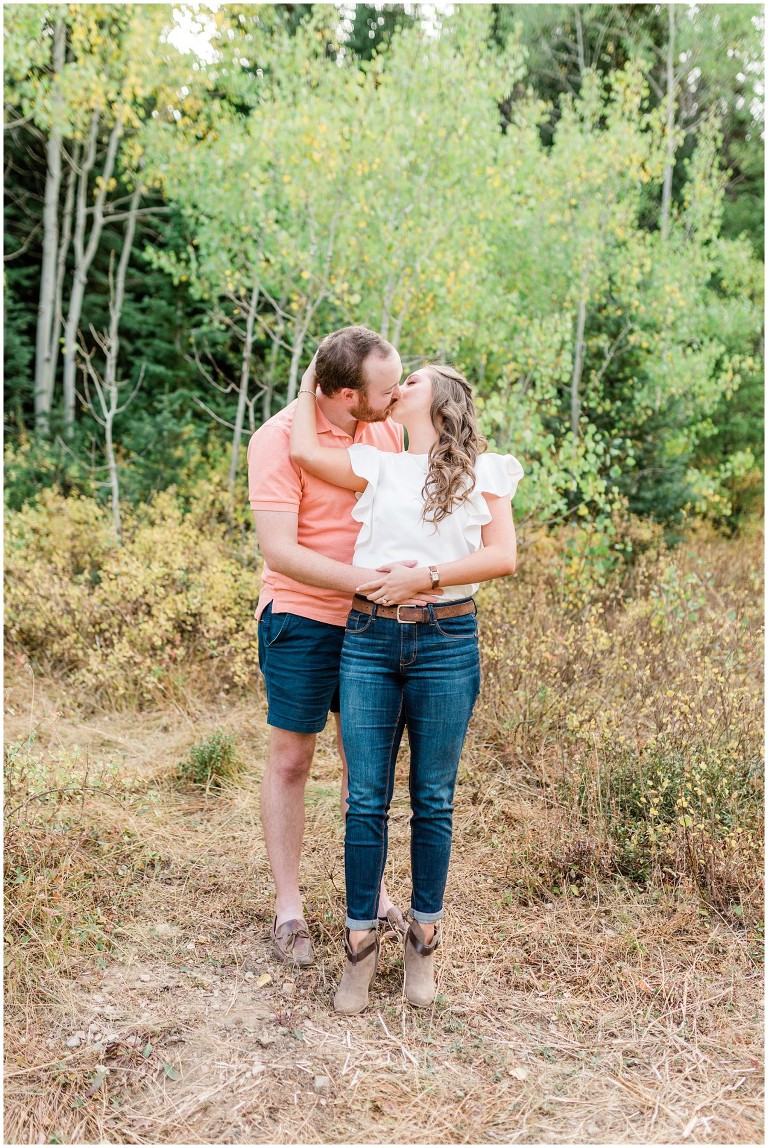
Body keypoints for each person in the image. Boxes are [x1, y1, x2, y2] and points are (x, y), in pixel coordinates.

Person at [290, 357, 523, 1013]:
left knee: (433, 798)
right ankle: (360, 952)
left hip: (446, 642)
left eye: (412, 380)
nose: (398, 388)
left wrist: (426, 578)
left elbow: (502, 557)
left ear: (442, 399)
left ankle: (423, 947)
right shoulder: (379, 463)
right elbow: (305, 449)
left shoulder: (488, 470)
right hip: (367, 638)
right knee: (365, 799)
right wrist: (322, 369)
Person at [248, 326, 442, 968]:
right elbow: (280, 552)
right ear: (340, 393)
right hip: (302, 620)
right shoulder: (277, 440)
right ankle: (289, 910)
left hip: (372, 623)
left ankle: (372, 893)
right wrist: (373, 582)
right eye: (384, 389)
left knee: (367, 769)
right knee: (292, 762)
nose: (395, 397)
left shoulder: (386, 426)